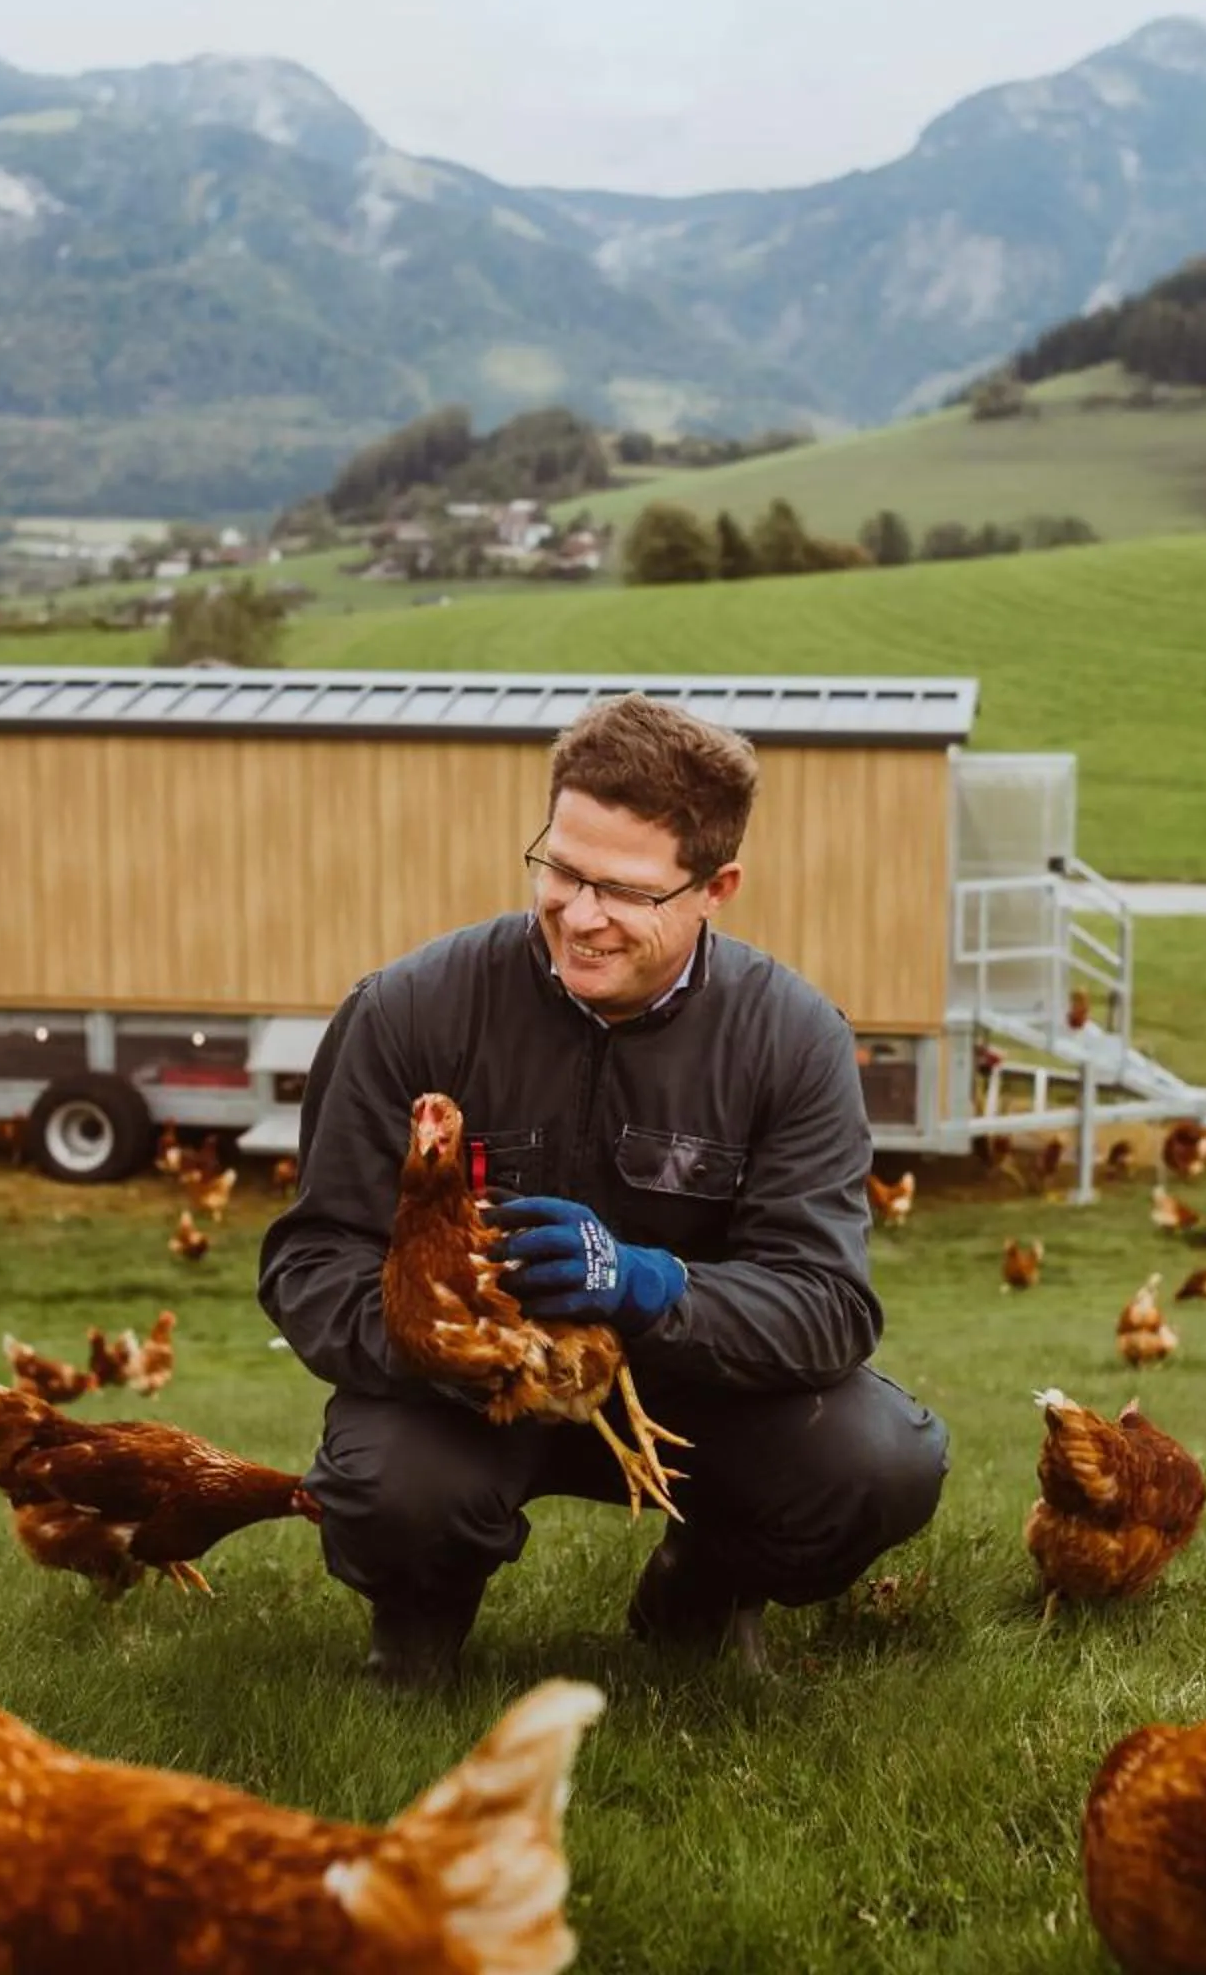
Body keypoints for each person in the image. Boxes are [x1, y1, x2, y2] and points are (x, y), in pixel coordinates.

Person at [259, 693, 950, 1687]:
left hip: (688, 1384)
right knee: (392, 1485)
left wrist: (653, 1286)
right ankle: (416, 1626)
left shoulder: (793, 1039)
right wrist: (458, 1344)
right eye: (562, 869)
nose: (580, 916)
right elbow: (314, 1260)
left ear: (717, 887)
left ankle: (700, 1590)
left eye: (625, 891)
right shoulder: (407, 1009)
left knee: (879, 1464)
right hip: (468, 1394)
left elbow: (829, 1305)